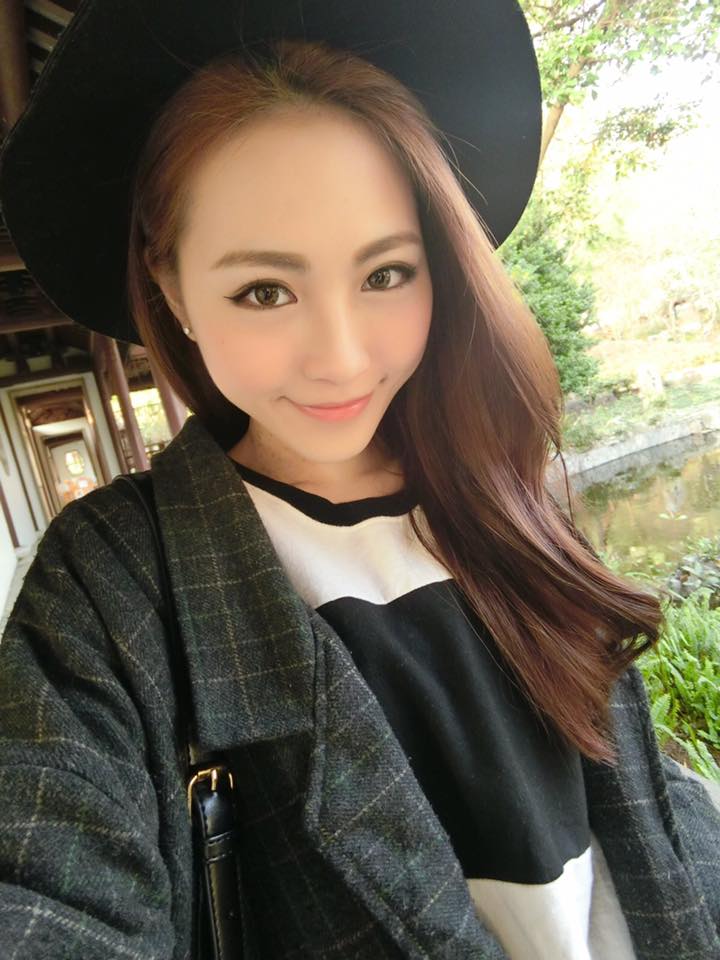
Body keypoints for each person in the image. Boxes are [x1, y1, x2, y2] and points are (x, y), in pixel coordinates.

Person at [0, 1, 718, 958]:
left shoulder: (499, 492)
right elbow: (47, 890)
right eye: (265, 291)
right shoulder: (112, 587)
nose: (340, 358)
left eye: (385, 275)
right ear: (172, 290)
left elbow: (648, 798)